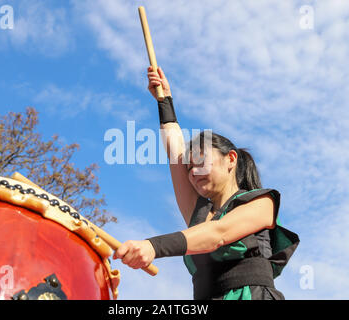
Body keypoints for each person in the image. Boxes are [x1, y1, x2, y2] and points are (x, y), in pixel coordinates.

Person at [113, 66, 300, 300]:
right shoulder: (198, 213)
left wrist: (153, 246)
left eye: (200, 161)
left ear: (230, 159)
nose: (192, 172)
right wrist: (164, 101)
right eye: (190, 168)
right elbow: (175, 155)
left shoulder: (263, 202)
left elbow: (217, 234)